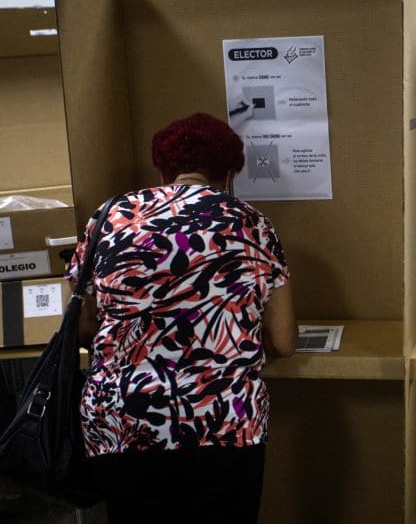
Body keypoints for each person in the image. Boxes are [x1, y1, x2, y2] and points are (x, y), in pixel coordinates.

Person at [65, 113, 298, 524]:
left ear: (162, 169)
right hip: (224, 423)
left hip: (124, 423)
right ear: (229, 173)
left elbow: (84, 327)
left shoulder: (109, 218)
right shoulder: (251, 223)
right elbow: (283, 341)